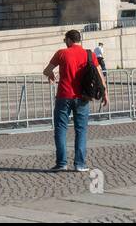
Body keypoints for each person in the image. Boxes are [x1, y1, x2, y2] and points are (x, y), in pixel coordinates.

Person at [42, 30, 108, 172]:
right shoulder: (89, 54)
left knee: (60, 129)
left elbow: (46, 70)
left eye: (65, 40)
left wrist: (51, 74)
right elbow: (100, 75)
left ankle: (61, 163)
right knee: (81, 130)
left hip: (64, 96)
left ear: (69, 40)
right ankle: (80, 164)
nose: (65, 42)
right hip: (82, 97)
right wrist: (105, 93)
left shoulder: (62, 53)